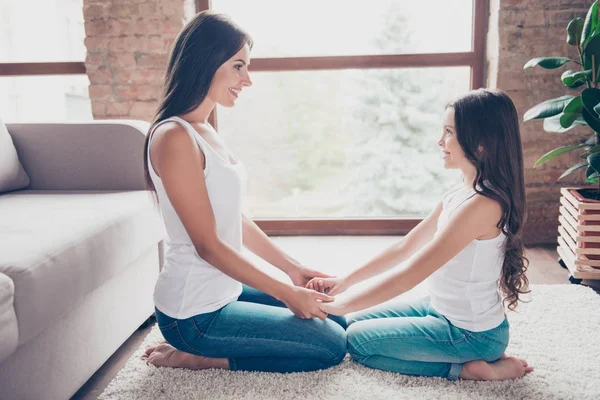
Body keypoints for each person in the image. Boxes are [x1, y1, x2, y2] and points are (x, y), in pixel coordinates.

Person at [140, 11, 346, 373]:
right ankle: (199, 356)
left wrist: (293, 272)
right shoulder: (174, 137)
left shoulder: (204, 129)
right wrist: (286, 294)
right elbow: (208, 246)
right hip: (194, 315)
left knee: (335, 319)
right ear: (206, 61)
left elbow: (233, 219)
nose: (247, 79)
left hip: (225, 291)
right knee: (330, 345)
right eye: (238, 66)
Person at [308, 88, 534, 381]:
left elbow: (410, 274)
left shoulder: (484, 205)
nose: (440, 141)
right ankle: (470, 358)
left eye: (449, 132)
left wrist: (340, 303)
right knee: (348, 321)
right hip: (439, 307)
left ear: (479, 143)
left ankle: (468, 369)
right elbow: (406, 247)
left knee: (357, 342)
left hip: (469, 332)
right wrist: (345, 283)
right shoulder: (461, 191)